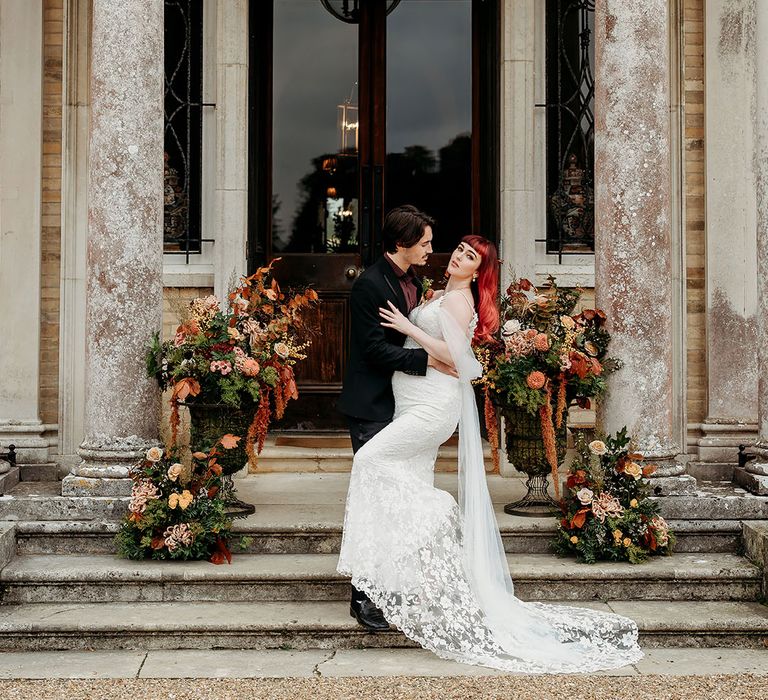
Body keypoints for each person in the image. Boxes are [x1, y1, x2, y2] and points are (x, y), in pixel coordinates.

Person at [337, 234, 644, 673]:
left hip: (430, 405)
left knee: (371, 462)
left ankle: (439, 515)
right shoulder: (438, 293)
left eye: (470, 257)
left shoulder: (459, 301)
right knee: (405, 479)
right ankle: (394, 585)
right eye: (458, 249)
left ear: (479, 271)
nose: (458, 256)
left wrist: (410, 329)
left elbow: (460, 361)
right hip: (409, 400)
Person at [337, 204, 455, 631]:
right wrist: (430, 362)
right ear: (402, 243)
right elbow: (373, 350)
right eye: (424, 242)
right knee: (375, 500)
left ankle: (392, 586)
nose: (430, 249)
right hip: (370, 405)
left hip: (404, 406)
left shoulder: (414, 279)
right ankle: (362, 597)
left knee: (400, 499)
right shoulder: (370, 285)